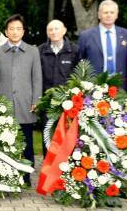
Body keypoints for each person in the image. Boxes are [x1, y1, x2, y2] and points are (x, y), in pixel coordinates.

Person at [0, 14, 42, 186]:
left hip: (25, 103)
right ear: (5, 32)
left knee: (26, 142)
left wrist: (36, 100)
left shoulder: (33, 51)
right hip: (4, 105)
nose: (15, 32)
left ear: (24, 31)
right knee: (5, 140)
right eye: (11, 29)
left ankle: (26, 177)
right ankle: (7, 174)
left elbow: (37, 78)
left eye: (18, 28)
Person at [38, 19, 80, 155]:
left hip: (68, 103)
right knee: (48, 138)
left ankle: (67, 172)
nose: (53, 32)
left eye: (56, 29)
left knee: (68, 138)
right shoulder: (40, 50)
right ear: (47, 32)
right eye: (50, 29)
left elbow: (79, 76)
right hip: (48, 103)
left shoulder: (74, 50)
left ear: (64, 30)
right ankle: (47, 173)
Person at [78, 0, 127, 91]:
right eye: (105, 12)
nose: (109, 15)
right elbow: (80, 62)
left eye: (112, 12)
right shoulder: (86, 36)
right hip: (94, 88)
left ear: (116, 15)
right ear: (99, 15)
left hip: (120, 87)